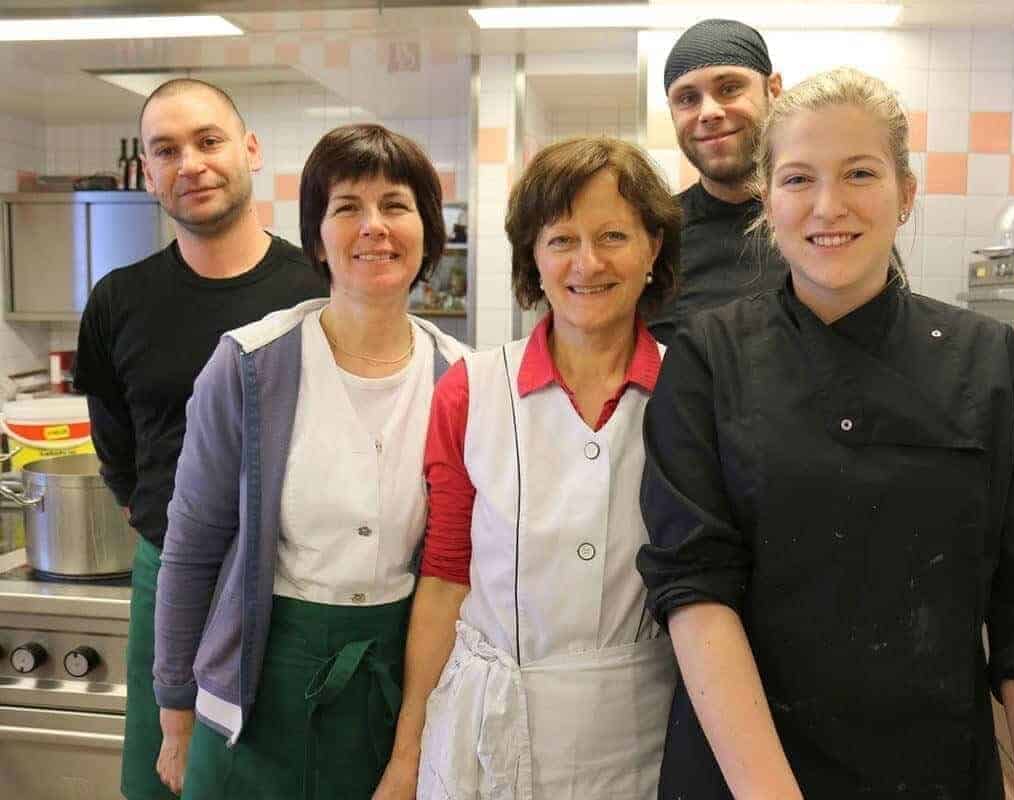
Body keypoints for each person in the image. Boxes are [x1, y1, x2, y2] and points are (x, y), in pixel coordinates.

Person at [637, 67, 1014, 799]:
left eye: (859, 173)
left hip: (935, 774)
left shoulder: (984, 359)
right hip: (746, 775)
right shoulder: (707, 357)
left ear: (906, 193)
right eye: (798, 179)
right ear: (766, 201)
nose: (829, 206)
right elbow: (693, 588)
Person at [151, 123, 468, 799]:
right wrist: (175, 709)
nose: (373, 226)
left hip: (397, 685)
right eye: (347, 207)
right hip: (256, 687)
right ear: (317, 238)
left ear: (428, 231)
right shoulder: (248, 364)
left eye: (395, 205)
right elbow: (193, 546)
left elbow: (459, 569)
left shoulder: (463, 380)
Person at [374, 136, 681, 800]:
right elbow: (446, 578)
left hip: (639, 741)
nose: (587, 263)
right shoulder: (471, 391)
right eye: (561, 240)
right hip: (484, 732)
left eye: (613, 236)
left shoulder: (691, 394)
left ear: (653, 249)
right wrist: (406, 754)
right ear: (532, 258)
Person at [72, 78, 329, 800]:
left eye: (208, 141)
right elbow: (114, 439)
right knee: (161, 781)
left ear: (250, 150)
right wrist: (147, 511)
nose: (190, 164)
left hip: (291, 580)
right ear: (149, 173)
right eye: (166, 150)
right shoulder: (119, 300)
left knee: (271, 779)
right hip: (170, 572)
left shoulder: (316, 292)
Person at [649, 18, 789, 345]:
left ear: (773, 91)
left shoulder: (822, 221)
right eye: (687, 98)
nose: (708, 112)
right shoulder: (654, 234)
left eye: (729, 88)